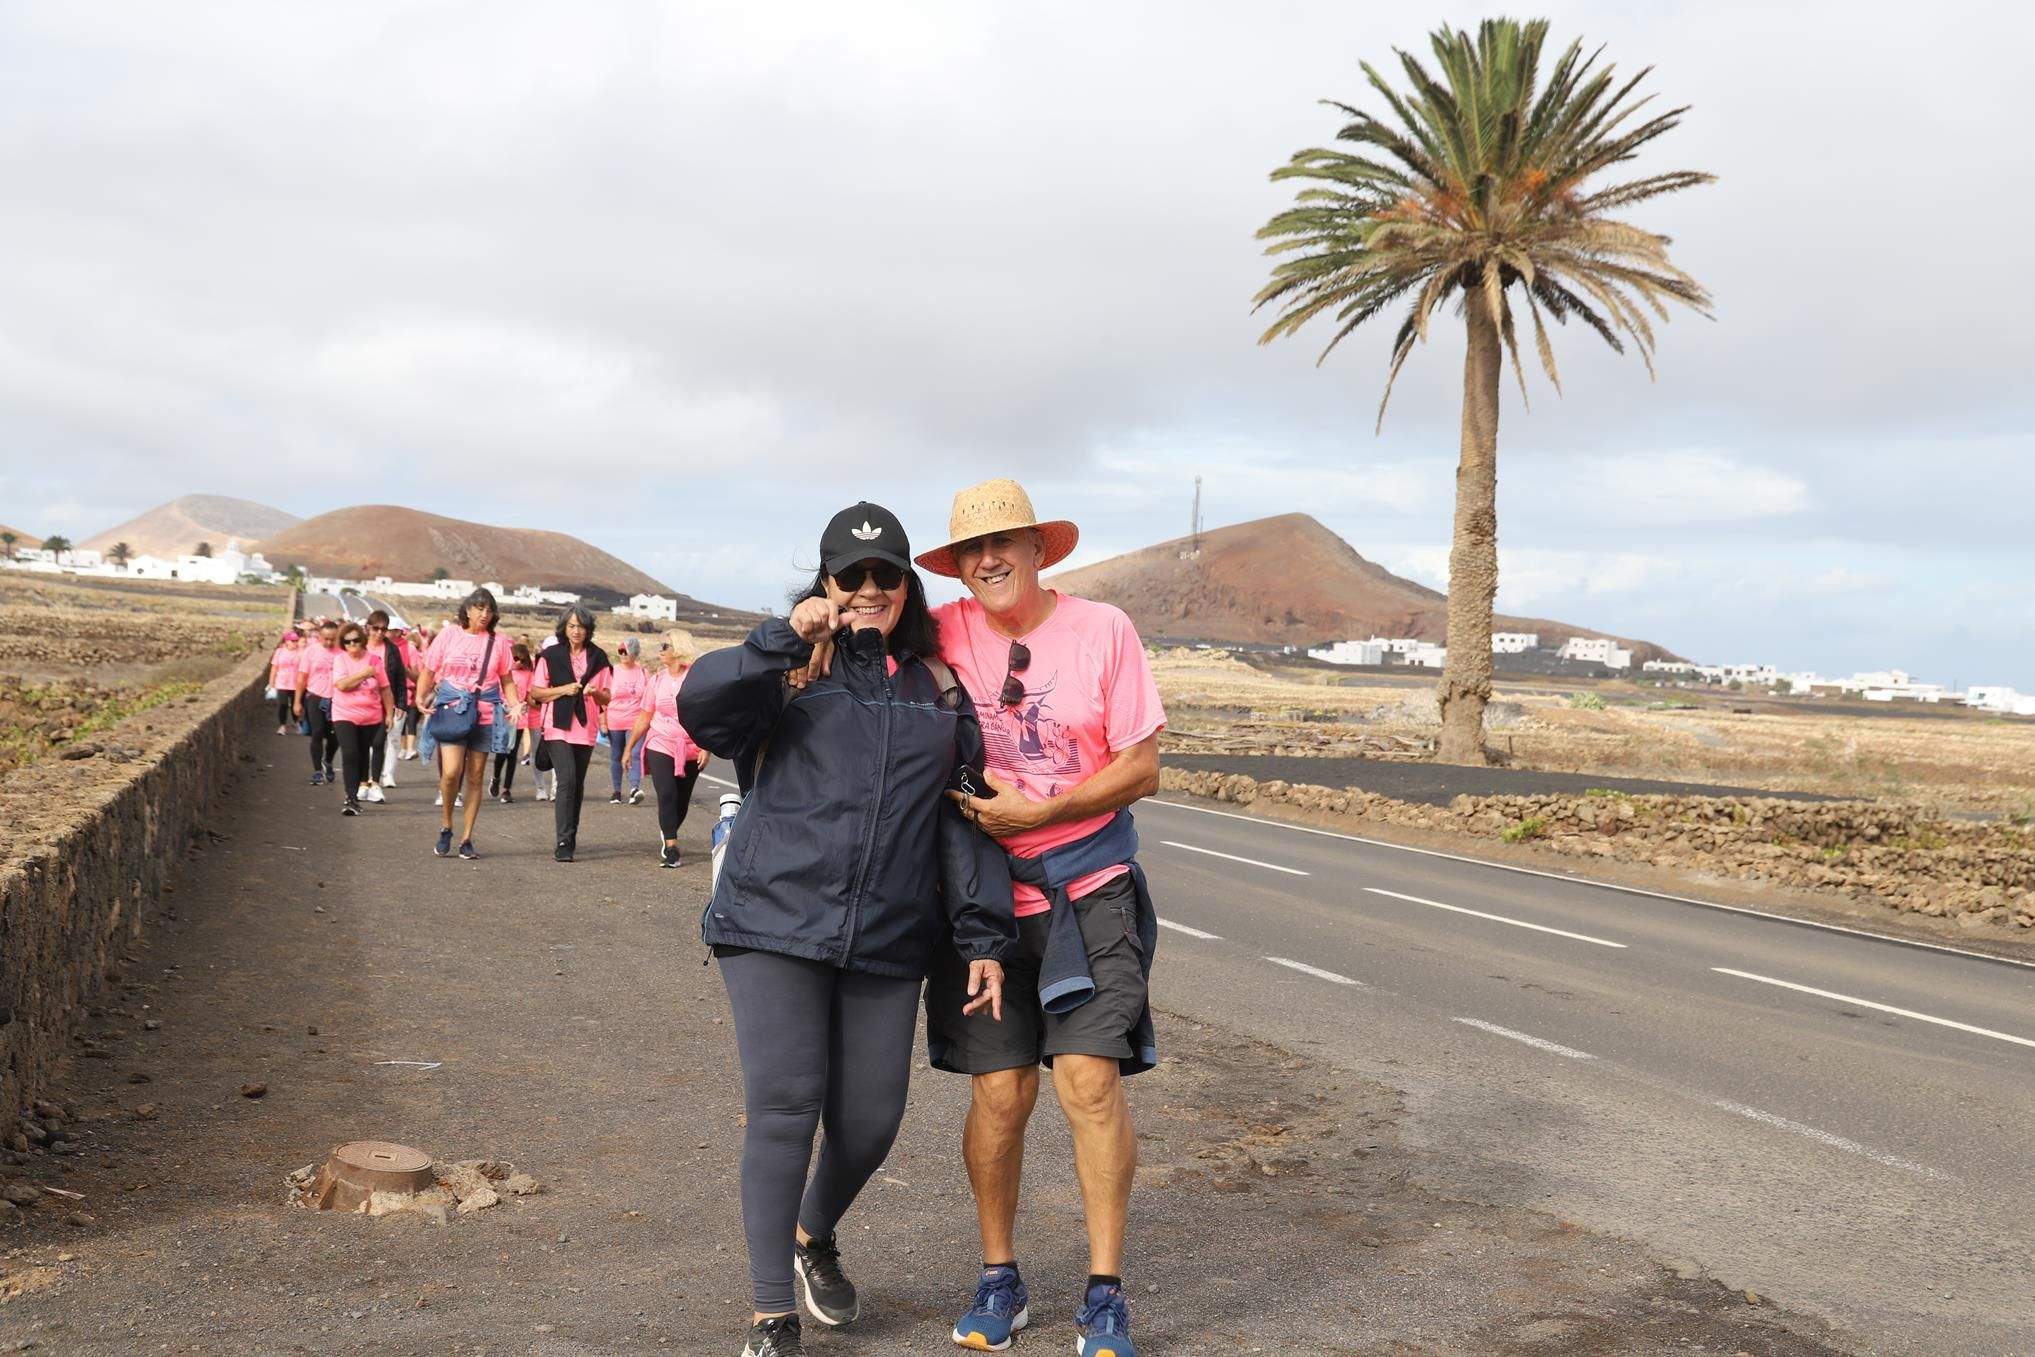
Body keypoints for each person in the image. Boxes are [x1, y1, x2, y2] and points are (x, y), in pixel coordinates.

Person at [680, 501, 1014, 1357]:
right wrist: (777, 642)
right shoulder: (791, 669)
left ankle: (809, 1233)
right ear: (826, 583)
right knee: (786, 1107)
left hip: (888, 934)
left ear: (907, 587)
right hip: (772, 921)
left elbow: (960, 819)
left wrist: (981, 937)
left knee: (870, 1120)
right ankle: (769, 1319)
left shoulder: (936, 688)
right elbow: (701, 710)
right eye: (851, 575)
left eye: (885, 575)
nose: (869, 588)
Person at [921, 480, 1170, 1357]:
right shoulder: (944, 629)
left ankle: (1105, 1293)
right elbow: (859, 611)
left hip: (1089, 887)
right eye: (968, 550)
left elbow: (1140, 768)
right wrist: (803, 623)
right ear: (956, 567)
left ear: (1036, 549)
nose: (986, 559)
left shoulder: (1102, 630)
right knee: (1000, 1092)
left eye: (1004, 542)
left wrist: (1040, 813)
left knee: (1088, 1084)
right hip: (982, 905)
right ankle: (1000, 1277)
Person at [415, 587, 524, 860]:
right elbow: (428, 669)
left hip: (486, 712)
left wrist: (514, 704)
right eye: (479, 608)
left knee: (476, 776)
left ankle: (466, 838)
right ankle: (447, 824)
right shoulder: (450, 634)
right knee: (451, 772)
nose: (484, 614)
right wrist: (419, 697)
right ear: (467, 609)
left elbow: (507, 680)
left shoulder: (499, 643)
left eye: (489, 610)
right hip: (452, 709)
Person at [529, 606, 612, 862]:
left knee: (577, 784)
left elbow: (607, 696)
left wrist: (594, 692)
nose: (576, 631)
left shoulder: (598, 657)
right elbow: (536, 693)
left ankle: (571, 836)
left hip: (585, 728)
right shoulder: (550, 656)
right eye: (572, 626)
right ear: (564, 628)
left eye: (581, 626)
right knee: (566, 779)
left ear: (588, 629)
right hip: (557, 725)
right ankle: (563, 841)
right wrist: (565, 689)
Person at [623, 628, 708, 867]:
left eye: (665, 647)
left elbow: (704, 714)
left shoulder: (695, 678)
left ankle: (668, 828)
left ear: (678, 649)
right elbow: (645, 715)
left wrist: (706, 746)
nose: (660, 651)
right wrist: (629, 747)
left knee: (681, 800)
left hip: (690, 746)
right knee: (667, 792)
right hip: (659, 741)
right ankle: (671, 845)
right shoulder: (656, 680)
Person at [329, 622, 394, 817]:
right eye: (347, 642)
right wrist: (364, 674)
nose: (352, 645)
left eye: (356, 640)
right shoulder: (340, 660)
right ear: (343, 644)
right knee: (349, 753)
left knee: (362, 754)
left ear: (363, 640)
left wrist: (389, 713)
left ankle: (360, 789)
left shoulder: (375, 660)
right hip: (344, 713)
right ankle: (351, 799)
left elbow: (385, 688)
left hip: (371, 716)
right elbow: (342, 685)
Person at [363, 611, 412, 803]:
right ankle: (364, 780)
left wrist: (401, 703)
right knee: (365, 743)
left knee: (383, 741)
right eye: (376, 628)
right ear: (368, 627)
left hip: (387, 701)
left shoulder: (392, 650)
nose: (379, 633)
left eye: (384, 629)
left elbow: (400, 677)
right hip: (363, 701)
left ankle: (381, 778)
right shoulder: (358, 645)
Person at [294, 619, 341, 786]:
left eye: (332, 639)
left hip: (337, 699)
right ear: (320, 636)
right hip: (315, 696)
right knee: (317, 733)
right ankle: (317, 771)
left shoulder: (342, 652)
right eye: (326, 638)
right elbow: (301, 677)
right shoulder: (310, 652)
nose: (329, 642)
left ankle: (328, 760)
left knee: (335, 736)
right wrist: (297, 702)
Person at [605, 636, 649, 804]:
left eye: (626, 651)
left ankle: (634, 788)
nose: (622, 654)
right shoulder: (612, 671)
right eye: (620, 651)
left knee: (635, 753)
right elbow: (604, 696)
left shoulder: (643, 673)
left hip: (635, 720)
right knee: (616, 754)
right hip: (614, 720)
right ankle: (616, 791)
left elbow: (647, 698)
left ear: (634, 653)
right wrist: (603, 721)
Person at [490, 641, 536, 803]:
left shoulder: (529, 675)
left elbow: (530, 696)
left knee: (512, 754)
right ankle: (496, 777)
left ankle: (507, 789)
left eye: (522, 660)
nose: (518, 662)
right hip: (502, 716)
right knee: (501, 752)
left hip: (519, 718)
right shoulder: (502, 673)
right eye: (515, 658)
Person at [269, 631, 302, 734]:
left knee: (295, 706)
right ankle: (282, 726)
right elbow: (274, 668)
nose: (295, 643)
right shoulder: (279, 652)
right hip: (282, 683)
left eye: (296, 640)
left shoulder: (301, 652)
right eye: (293, 641)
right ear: (287, 641)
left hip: (296, 683)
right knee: (282, 704)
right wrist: (271, 682)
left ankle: (296, 722)